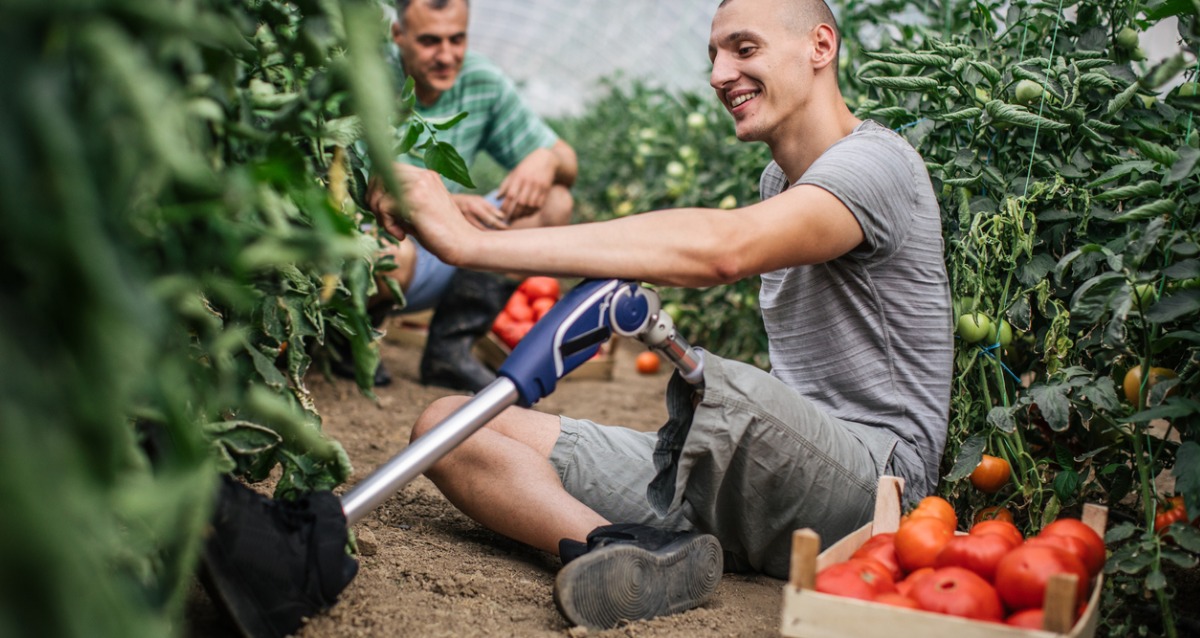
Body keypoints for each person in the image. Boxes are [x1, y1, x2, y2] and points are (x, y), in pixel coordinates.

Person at [369, 0, 952, 629]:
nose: (718, 74)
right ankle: (634, 556)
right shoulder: (775, 183)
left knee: (727, 387)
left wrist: (466, 242)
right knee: (447, 425)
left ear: (820, 46)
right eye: (714, 56)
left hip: (877, 485)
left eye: (744, 49)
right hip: (781, 476)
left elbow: (725, 249)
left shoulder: (878, 163)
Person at [347, 0, 578, 390]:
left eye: (457, 39)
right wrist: (445, 203)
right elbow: (344, 180)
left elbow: (567, 160)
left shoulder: (479, 80)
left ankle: (449, 350)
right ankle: (348, 338)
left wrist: (546, 160)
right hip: (385, 249)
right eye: (429, 42)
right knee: (389, 254)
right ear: (397, 35)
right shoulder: (364, 76)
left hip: (445, 252)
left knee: (555, 200)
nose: (447, 55)